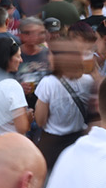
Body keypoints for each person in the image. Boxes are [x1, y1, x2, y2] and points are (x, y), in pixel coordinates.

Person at [34, 38, 95, 170]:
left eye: (50, 54)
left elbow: (40, 120)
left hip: (52, 146)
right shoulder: (88, 81)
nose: (48, 58)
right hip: (78, 142)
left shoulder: (48, 83)